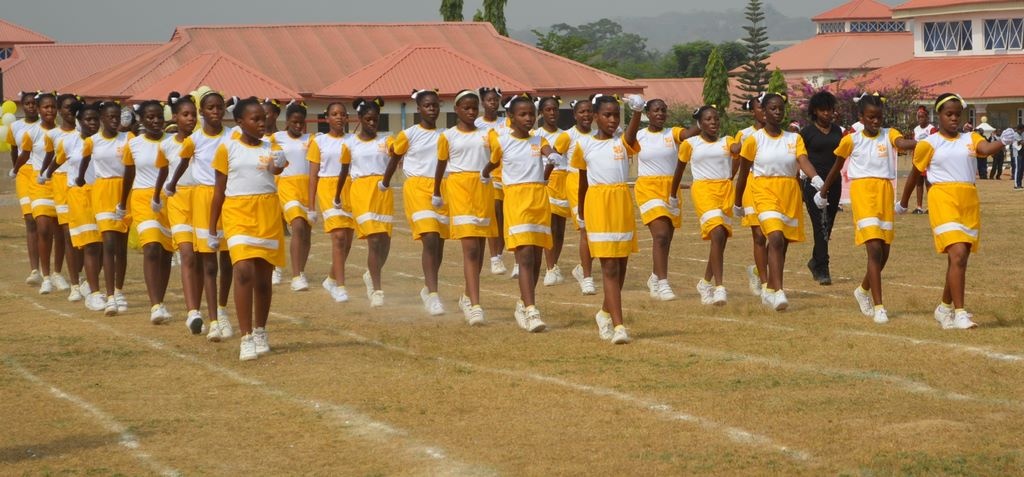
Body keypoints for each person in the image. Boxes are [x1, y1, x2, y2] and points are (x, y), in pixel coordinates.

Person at [896, 93, 1005, 329]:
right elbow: (915, 174)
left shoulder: (970, 138)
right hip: (942, 199)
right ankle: (960, 313)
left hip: (968, 201)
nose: (954, 118)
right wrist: (903, 203)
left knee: (959, 258)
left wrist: (1003, 141)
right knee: (957, 254)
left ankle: (944, 308)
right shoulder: (929, 143)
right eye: (949, 114)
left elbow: (986, 149)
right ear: (939, 115)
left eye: (958, 114)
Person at [818, 93, 916, 324]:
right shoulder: (851, 140)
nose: (875, 121)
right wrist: (823, 191)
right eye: (871, 117)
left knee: (884, 253)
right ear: (861, 117)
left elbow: (901, 144)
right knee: (873, 248)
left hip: (884, 193)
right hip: (863, 194)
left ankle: (862, 290)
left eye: (879, 117)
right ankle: (879, 306)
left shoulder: (889, 134)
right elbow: (836, 166)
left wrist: (924, 143)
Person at [209, 97, 287, 361]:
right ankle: (246, 338)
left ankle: (260, 330)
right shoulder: (227, 148)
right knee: (243, 271)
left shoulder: (272, 146)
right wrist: (212, 227)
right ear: (240, 122)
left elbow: (276, 169)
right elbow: (219, 190)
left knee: (263, 279)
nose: (262, 123)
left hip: (267, 213)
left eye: (264, 118)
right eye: (255, 119)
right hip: (238, 213)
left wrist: (279, 162)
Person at [735, 92, 823, 311]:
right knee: (773, 237)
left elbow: (802, 160)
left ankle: (771, 287)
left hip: (789, 193)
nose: (777, 112)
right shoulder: (754, 139)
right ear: (763, 112)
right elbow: (743, 173)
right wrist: (737, 203)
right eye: (772, 108)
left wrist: (816, 179)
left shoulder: (794, 139)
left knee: (781, 242)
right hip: (763, 191)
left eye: (780, 109)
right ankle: (777, 290)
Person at [482, 93, 560, 332]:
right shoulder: (502, 141)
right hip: (517, 201)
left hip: (539, 201)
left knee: (536, 258)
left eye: (531, 114)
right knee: (524, 256)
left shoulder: (539, 140)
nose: (528, 119)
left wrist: (552, 156)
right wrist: (484, 174)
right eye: (522, 114)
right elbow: (493, 163)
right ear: (511, 117)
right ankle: (532, 310)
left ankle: (523, 303)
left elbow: (548, 150)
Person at [573, 94, 644, 344]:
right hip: (598, 206)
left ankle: (604, 313)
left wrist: (637, 111)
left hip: (621, 204)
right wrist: (581, 213)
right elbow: (582, 183)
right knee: (610, 267)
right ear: (595, 117)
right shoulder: (584, 146)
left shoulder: (622, 142)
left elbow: (631, 135)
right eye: (607, 115)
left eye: (616, 115)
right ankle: (619, 326)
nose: (612, 120)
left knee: (621, 265)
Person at [168, 90, 234, 341]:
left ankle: (223, 310)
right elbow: (183, 163)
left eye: (219, 107)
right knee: (208, 262)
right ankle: (214, 320)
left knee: (228, 260)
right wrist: (171, 184)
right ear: (202, 112)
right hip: (204, 199)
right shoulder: (194, 140)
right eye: (210, 108)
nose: (215, 111)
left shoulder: (233, 136)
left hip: (230, 198)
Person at [434, 89, 495, 324]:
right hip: (459, 189)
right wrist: (436, 191)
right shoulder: (447, 136)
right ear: (456, 109)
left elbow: (499, 155)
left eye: (474, 108)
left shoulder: (488, 134)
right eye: (466, 108)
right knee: (469, 248)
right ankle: (476, 306)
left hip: (483, 190)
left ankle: (467, 296)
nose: (471, 112)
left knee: (479, 248)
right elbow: (441, 165)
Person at [384, 89, 447, 313]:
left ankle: (428, 288)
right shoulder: (408, 134)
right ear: (419, 108)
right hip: (417, 188)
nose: (432, 109)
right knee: (429, 237)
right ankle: (433, 295)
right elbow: (395, 159)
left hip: (441, 188)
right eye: (427, 105)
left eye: (435, 105)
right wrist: (385, 182)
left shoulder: (445, 135)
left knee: (439, 242)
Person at [673, 105, 740, 306]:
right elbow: (679, 170)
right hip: (703, 190)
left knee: (720, 240)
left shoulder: (727, 141)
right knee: (717, 232)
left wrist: (744, 142)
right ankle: (720, 287)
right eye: (708, 119)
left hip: (725, 191)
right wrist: (672, 195)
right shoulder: (690, 144)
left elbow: (737, 151)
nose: (713, 122)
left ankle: (705, 283)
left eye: (716, 119)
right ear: (700, 123)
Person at [120, 100, 174, 324]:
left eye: (159, 116)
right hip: (143, 199)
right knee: (151, 247)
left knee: (166, 252)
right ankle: (155, 305)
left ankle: (160, 300)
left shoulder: (172, 141)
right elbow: (129, 175)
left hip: (169, 200)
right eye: (150, 117)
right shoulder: (133, 144)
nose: (156, 121)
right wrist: (122, 203)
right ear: (141, 119)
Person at [77, 101, 132, 316]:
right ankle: (109, 297)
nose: (115, 120)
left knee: (121, 247)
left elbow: (132, 167)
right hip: (102, 192)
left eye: (117, 116)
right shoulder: (92, 141)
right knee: (108, 243)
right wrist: (80, 179)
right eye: (110, 117)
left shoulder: (128, 139)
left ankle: (119, 291)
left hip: (124, 191)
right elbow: (84, 163)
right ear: (102, 118)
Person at [156, 92, 205, 334]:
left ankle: (204, 306)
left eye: (193, 115)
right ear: (175, 117)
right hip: (178, 201)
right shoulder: (166, 146)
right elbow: (163, 173)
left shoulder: (203, 141)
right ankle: (192, 312)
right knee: (187, 254)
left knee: (202, 257)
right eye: (185, 114)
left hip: (201, 198)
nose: (190, 119)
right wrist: (157, 196)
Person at [338, 97, 393, 308]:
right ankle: (377, 291)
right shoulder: (350, 144)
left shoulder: (386, 140)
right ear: (360, 119)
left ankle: (371, 273)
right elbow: (343, 171)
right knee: (374, 240)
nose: (372, 123)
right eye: (368, 119)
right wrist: (337, 195)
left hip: (382, 191)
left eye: (375, 119)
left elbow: (397, 153)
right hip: (360, 191)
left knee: (385, 241)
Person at [51, 101, 105, 311]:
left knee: (102, 245)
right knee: (85, 243)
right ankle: (79, 287)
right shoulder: (68, 142)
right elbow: (57, 161)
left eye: (95, 119)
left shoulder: (103, 141)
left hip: (101, 194)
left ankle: (89, 284)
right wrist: (45, 174)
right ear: (79, 121)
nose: (93, 123)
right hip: (77, 195)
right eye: (88, 119)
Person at [634, 98, 684, 301]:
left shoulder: (672, 133)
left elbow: (689, 134)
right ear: (648, 113)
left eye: (663, 110)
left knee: (666, 239)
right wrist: (635, 111)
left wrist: (702, 121)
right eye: (656, 110)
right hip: (648, 188)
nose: (660, 114)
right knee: (661, 235)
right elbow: (625, 141)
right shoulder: (639, 135)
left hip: (670, 189)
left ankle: (655, 277)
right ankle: (663, 283)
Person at [307, 102, 355, 303]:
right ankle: (340, 287)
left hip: (350, 188)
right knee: (339, 236)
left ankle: (331, 279)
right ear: (326, 118)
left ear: (347, 118)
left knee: (348, 240)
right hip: (328, 188)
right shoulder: (319, 142)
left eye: (342, 114)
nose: (339, 117)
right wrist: (311, 206)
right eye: (334, 114)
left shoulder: (353, 140)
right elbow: (313, 175)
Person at [15, 92, 60, 295]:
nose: (49, 110)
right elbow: (18, 152)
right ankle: (40, 272)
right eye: (45, 107)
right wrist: (15, 170)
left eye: (52, 106)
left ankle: (58, 273)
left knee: (60, 231)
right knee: (37, 224)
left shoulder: (64, 132)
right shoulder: (24, 130)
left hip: (59, 182)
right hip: (35, 180)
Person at [799, 91, 842, 285]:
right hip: (813, 184)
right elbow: (800, 158)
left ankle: (815, 260)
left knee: (828, 225)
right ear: (815, 111)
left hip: (834, 183)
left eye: (830, 110)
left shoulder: (837, 131)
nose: (827, 113)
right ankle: (823, 268)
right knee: (820, 225)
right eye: (823, 110)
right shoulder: (807, 133)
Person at [39, 93, 80, 300]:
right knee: (65, 233)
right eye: (66, 107)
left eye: (74, 107)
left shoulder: (84, 132)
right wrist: (43, 175)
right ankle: (69, 281)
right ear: (60, 110)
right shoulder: (53, 135)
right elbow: (50, 158)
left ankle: (81, 278)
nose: (70, 111)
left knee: (80, 235)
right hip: (60, 184)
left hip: (80, 185)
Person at [270, 101, 314, 291]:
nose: (298, 126)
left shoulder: (311, 139)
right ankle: (293, 276)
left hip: (307, 187)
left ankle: (300, 271)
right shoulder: (276, 138)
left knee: (306, 232)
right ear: (287, 121)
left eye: (301, 122)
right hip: (286, 186)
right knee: (297, 225)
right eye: (294, 122)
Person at [475, 87, 512, 276]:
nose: (493, 103)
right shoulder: (476, 124)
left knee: (505, 218)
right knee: (494, 214)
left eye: (496, 100)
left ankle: (499, 253)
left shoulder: (506, 123)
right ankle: (494, 258)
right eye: (489, 100)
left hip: (508, 175)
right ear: (482, 102)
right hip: (489, 176)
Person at [7, 92, 43, 287]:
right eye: (27, 103)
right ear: (22, 105)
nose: (30, 106)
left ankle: (49, 269)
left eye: (33, 103)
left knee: (44, 221)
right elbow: (14, 150)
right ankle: (34, 269)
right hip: (23, 174)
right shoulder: (15, 127)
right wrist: (16, 169)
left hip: (40, 173)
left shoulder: (44, 125)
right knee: (30, 219)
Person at [533, 96, 569, 287]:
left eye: (555, 109)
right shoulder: (536, 135)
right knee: (549, 226)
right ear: (541, 112)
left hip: (563, 181)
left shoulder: (566, 135)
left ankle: (554, 264)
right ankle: (550, 268)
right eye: (548, 109)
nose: (552, 113)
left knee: (560, 230)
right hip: (546, 180)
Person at [563, 98, 598, 295]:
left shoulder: (597, 136)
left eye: (589, 111)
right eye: (582, 112)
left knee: (597, 229)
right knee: (586, 228)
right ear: (575, 115)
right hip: (576, 182)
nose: (586, 115)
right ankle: (587, 277)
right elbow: (553, 157)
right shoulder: (568, 136)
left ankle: (581, 268)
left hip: (594, 183)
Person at [735, 95, 768, 298]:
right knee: (759, 236)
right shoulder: (745, 135)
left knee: (778, 237)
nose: (764, 111)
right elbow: (737, 164)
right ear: (752, 111)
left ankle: (756, 269)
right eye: (760, 107)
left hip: (774, 188)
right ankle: (764, 283)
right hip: (751, 186)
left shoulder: (781, 135)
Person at [911, 106, 936, 213]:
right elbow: (913, 144)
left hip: (928, 160)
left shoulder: (931, 129)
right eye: (919, 117)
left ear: (927, 117)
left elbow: (935, 144)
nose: (920, 119)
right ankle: (919, 207)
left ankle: (930, 206)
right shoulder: (916, 129)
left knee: (928, 183)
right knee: (919, 183)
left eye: (922, 117)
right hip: (918, 159)